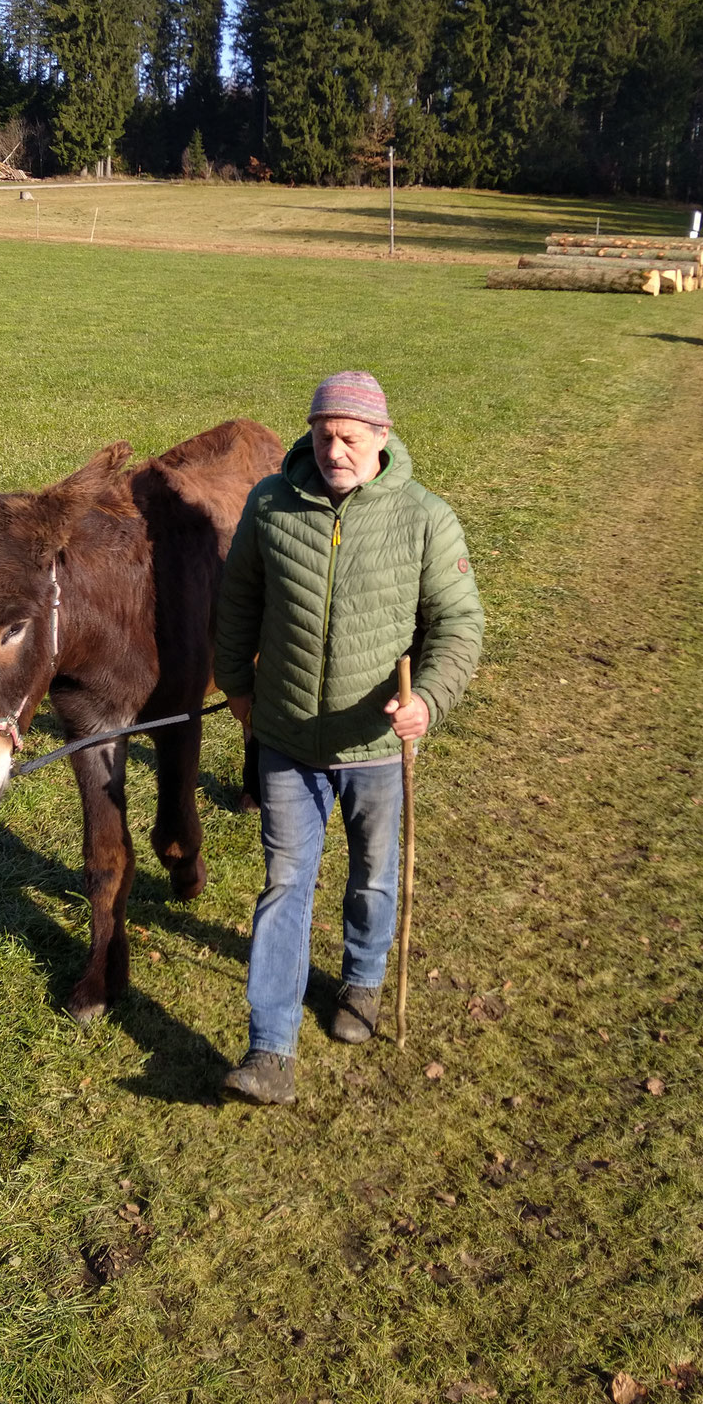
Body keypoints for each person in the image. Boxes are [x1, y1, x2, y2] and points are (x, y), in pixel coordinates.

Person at [214, 371, 484, 1106]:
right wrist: (236, 684)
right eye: (323, 435)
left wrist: (427, 699)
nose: (334, 450)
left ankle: (362, 982)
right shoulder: (270, 504)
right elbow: (238, 598)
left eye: (350, 438)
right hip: (285, 738)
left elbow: (460, 624)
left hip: (376, 747)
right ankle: (269, 1049)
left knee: (371, 873)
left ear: (381, 440)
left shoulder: (425, 519)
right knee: (284, 883)